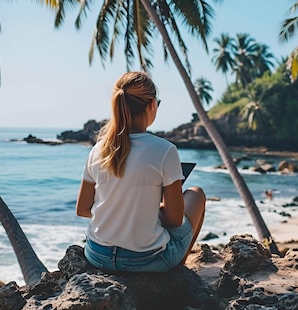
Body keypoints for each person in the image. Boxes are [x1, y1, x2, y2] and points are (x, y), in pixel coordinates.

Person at [76, 71, 206, 272]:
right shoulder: (165, 150)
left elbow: (83, 209)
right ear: (152, 105)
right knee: (196, 194)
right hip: (145, 261)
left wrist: (129, 208)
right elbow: (174, 219)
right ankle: (177, 266)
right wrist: (152, 207)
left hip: (97, 256)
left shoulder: (98, 149)